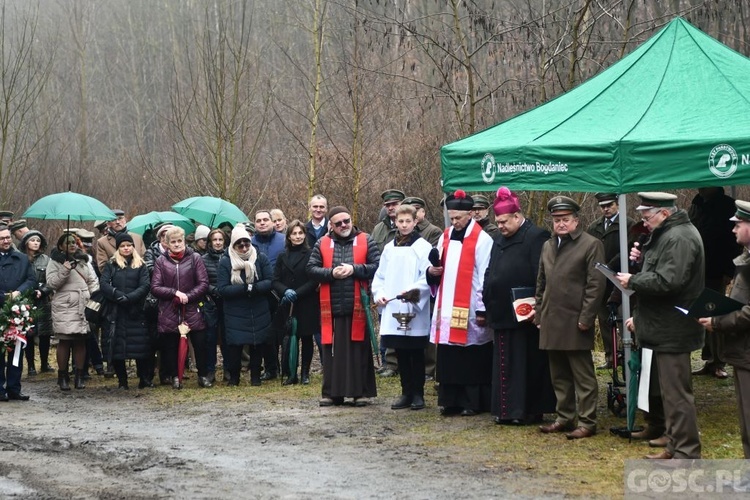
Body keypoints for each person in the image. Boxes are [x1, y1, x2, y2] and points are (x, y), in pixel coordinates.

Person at [616, 192, 704, 459]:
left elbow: (669, 281)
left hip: (673, 328)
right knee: (670, 394)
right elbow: (660, 271)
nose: (644, 223)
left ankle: (686, 452)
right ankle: (675, 446)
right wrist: (641, 260)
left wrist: (634, 280)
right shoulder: (668, 234)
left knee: (677, 396)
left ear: (664, 214)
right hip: (662, 326)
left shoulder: (679, 238)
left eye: (647, 217)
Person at [483, 187, 555, 425]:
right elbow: (490, 269)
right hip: (501, 311)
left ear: (517, 216)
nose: (501, 226)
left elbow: (541, 275)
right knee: (504, 364)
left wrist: (537, 307)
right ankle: (505, 410)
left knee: (526, 364)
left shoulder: (536, 237)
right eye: (498, 222)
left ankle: (525, 410)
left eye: (504, 221)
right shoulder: (498, 239)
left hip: (525, 314)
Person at [536, 195, 605, 440]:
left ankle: (588, 421)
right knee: (559, 374)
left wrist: (586, 318)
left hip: (576, 320)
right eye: (556, 220)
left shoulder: (591, 244)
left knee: (583, 376)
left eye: (565, 219)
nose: (561, 224)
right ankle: (564, 417)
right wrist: (538, 312)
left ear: (576, 221)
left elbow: (595, 286)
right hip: (551, 319)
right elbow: (541, 282)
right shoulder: (548, 245)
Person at [426, 190, 493, 416]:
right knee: (448, 354)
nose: (454, 222)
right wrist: (432, 271)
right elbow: (438, 263)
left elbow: (486, 273)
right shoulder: (445, 236)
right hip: (446, 303)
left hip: (471, 304)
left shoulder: (483, 239)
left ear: (470, 215)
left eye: (458, 218)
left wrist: (483, 307)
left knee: (471, 355)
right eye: (451, 218)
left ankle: (472, 401)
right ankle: (450, 399)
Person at [307, 206, 379, 407]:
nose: (344, 225)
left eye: (346, 221)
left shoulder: (366, 239)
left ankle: (360, 392)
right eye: (338, 223)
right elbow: (311, 269)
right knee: (332, 353)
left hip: (358, 306)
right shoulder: (322, 243)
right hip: (332, 305)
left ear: (351, 219)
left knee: (359, 351)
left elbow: (378, 266)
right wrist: (331, 274)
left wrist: (354, 269)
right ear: (331, 225)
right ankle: (332, 393)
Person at [699, 199, 750, 459]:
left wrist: (717, 323)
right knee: (745, 419)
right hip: (742, 352)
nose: (733, 230)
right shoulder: (746, 259)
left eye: (738, 224)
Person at [372, 204, 431, 410]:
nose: (404, 225)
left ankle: (418, 393)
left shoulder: (423, 247)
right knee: (401, 352)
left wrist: (414, 292)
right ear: (395, 222)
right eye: (400, 221)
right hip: (394, 305)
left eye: (408, 221)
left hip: (413, 306)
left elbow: (428, 276)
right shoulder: (389, 248)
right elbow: (380, 276)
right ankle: (406, 392)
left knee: (415, 352)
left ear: (416, 222)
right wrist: (380, 294)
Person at [151, 226, 211, 389]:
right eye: (173, 242)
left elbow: (203, 283)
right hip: (169, 309)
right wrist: (175, 293)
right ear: (167, 243)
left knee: (199, 343)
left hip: (192, 308)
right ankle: (175, 376)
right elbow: (155, 287)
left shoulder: (195, 258)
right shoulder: (161, 261)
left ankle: (203, 375)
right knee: (170, 345)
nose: (177, 244)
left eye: (179, 241)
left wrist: (188, 296)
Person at [689, 187, 739, 379]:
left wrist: (729, 270)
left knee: (715, 312)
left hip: (717, 268)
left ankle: (718, 362)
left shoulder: (727, 205)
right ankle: (708, 359)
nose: (700, 188)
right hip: (697, 268)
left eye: (704, 185)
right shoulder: (697, 202)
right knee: (701, 312)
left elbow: (733, 241)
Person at [586, 192, 636, 369]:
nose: (606, 209)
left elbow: (629, 250)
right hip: (600, 279)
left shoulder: (628, 224)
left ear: (617, 204)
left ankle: (628, 352)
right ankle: (611, 356)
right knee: (604, 318)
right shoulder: (595, 226)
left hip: (621, 278)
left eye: (609, 205)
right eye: (603, 206)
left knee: (624, 318)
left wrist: (608, 266)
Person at [218, 225, 273, 386]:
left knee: (258, 344)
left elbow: (270, 281)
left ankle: (256, 376)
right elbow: (222, 288)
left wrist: (254, 288)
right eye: (239, 244)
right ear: (233, 245)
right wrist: (244, 288)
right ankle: (234, 377)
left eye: (246, 244)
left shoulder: (260, 257)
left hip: (258, 307)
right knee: (235, 345)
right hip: (235, 309)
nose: (243, 248)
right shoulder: (226, 261)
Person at [47, 232, 99, 391]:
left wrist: (94, 299)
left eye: (74, 242)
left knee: (80, 341)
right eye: (67, 242)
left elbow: (93, 281)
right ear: (61, 246)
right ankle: (62, 377)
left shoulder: (84, 261)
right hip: (64, 305)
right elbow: (52, 283)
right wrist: (65, 269)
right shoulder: (54, 262)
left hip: (83, 304)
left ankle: (79, 375)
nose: (72, 244)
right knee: (64, 340)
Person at [99, 233, 152, 389]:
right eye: (122, 246)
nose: (126, 248)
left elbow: (145, 286)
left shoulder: (141, 265)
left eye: (129, 245)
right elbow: (104, 284)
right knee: (117, 349)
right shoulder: (111, 264)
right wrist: (117, 295)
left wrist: (129, 298)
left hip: (136, 311)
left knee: (140, 348)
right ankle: (122, 381)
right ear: (118, 248)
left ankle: (144, 379)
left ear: (133, 246)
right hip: (115, 312)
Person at [272, 220, 319, 385]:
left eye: (300, 233)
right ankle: (292, 372)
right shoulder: (282, 256)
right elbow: (275, 280)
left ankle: (305, 372)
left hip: (306, 302)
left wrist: (297, 293)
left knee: (306, 338)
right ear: (289, 236)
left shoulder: (311, 253)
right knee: (291, 337)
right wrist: (285, 291)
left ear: (304, 235)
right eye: (294, 233)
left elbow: (314, 280)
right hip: (288, 303)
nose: (297, 236)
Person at [0, 224, 36, 400]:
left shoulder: (22, 259)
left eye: (7, 237)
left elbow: (31, 279)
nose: (6, 241)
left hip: (17, 310)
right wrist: (4, 297)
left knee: (16, 350)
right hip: (0, 308)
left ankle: (14, 387)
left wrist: (18, 292)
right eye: (2, 238)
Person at [252, 210, 286, 381]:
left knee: (283, 332)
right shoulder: (249, 243)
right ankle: (271, 368)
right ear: (255, 224)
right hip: (260, 294)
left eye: (266, 220)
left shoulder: (283, 240)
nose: (262, 223)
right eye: (259, 221)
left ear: (273, 222)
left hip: (281, 293)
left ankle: (287, 367)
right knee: (265, 333)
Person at [20, 230, 54, 376]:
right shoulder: (21, 259)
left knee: (45, 334)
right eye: (32, 240)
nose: (35, 243)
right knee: (28, 332)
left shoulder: (46, 260)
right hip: (26, 299)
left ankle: (45, 363)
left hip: (43, 300)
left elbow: (51, 279)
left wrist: (44, 291)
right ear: (26, 242)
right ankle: (31, 365)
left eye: (38, 240)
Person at [202, 229, 227, 384]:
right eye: (215, 240)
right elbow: (201, 280)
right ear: (210, 242)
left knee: (226, 337)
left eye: (220, 239)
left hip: (227, 301)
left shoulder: (229, 257)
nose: (218, 242)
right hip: (209, 301)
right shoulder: (203, 259)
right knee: (210, 338)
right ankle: (210, 370)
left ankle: (229, 369)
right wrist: (213, 290)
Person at [371, 189, 405, 253]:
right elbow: (372, 253)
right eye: (387, 205)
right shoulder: (378, 229)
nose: (390, 208)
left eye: (394, 204)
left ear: (403, 205)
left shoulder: (410, 226)